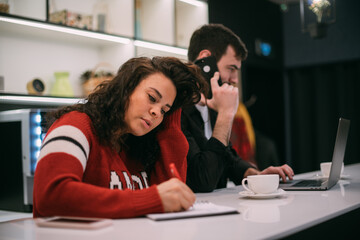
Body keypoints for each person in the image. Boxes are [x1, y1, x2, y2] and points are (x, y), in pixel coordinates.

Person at [33, 56, 208, 219]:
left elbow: (169, 205)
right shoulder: (76, 124)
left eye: (164, 110)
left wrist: (170, 122)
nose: (156, 112)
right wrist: (150, 200)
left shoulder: (136, 144)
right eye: (152, 98)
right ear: (126, 88)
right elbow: (51, 194)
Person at [182, 24, 294, 193]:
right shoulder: (177, 110)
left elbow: (228, 159)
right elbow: (203, 180)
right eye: (231, 68)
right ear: (205, 59)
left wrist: (256, 175)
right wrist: (226, 114)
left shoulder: (212, 108)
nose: (234, 79)